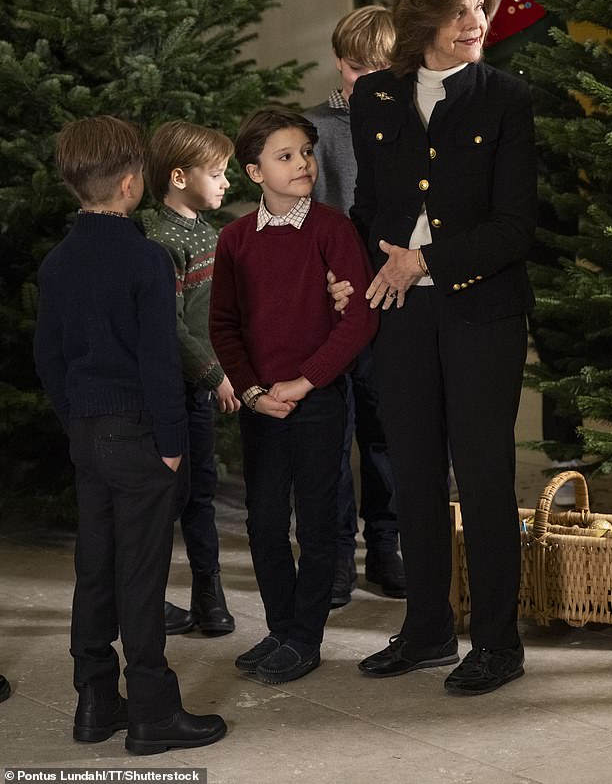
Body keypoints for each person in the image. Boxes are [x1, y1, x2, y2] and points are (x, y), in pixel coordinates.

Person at [350, 0, 537, 696]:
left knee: (485, 475)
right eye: (460, 9)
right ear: (424, 17)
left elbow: (515, 227)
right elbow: (369, 207)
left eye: (479, 6)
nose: (475, 21)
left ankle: (498, 643)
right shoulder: (376, 100)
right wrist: (367, 268)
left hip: (481, 309)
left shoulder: (505, 98)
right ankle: (427, 628)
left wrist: (420, 263)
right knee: (415, 471)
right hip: (398, 311)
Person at [33, 116, 226, 754]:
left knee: (96, 568)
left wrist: (75, 418)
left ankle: (94, 699)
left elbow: (49, 358)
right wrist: (172, 443)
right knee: (142, 576)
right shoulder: (144, 259)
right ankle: (150, 711)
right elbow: (158, 361)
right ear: (129, 183)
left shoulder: (58, 263)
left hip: (87, 433)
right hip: (142, 434)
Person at [210, 106, 377, 684]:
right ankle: (281, 628)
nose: (303, 163)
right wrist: (255, 392)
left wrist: (304, 382)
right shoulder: (234, 240)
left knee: (316, 521)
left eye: (305, 152)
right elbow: (224, 326)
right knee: (261, 520)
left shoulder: (332, 228)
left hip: (317, 399)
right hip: (262, 404)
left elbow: (357, 320)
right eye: (286, 156)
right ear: (254, 172)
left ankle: (306, 637)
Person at [449, 0, 582, 503]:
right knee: (477, 319)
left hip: (545, 180)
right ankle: (475, 457)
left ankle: (566, 463)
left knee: (557, 329)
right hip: (472, 189)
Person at [306, 5, 405, 606]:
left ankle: (386, 545)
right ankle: (334, 553)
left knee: (385, 427)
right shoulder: (312, 131)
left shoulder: (408, 123)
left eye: (379, 70)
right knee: (328, 433)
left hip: (389, 296)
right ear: (338, 63)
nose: (364, 82)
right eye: (353, 69)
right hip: (330, 305)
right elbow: (296, 219)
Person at [144, 121, 240, 637]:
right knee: (167, 494)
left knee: (201, 491)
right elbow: (171, 324)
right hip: (172, 391)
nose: (226, 184)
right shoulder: (158, 241)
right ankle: (149, 599)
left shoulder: (209, 235)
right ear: (179, 177)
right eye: (217, 174)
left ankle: (209, 593)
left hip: (201, 391)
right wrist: (214, 374)